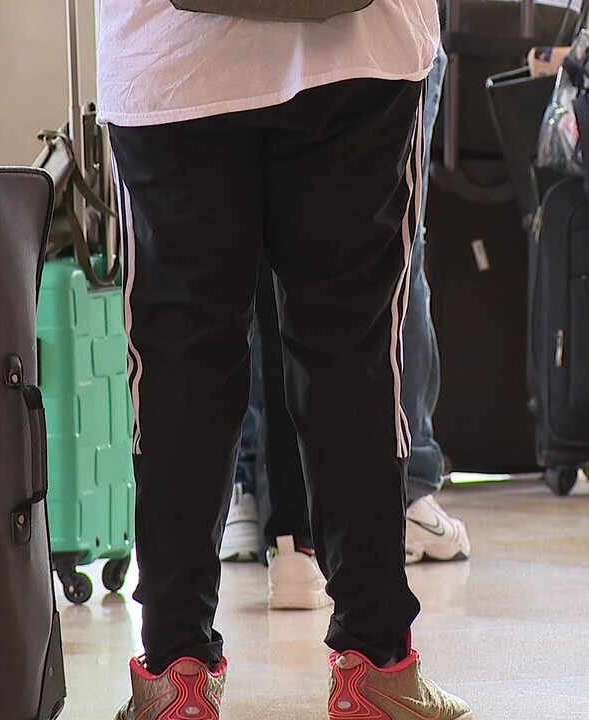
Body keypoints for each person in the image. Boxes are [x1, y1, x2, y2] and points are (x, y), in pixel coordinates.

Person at [98, 2, 473, 718]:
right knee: (354, 352)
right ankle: (376, 666)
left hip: (171, 62)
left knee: (180, 363)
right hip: (359, 54)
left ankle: (176, 672)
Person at [220, 51, 474, 614]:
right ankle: (406, 493)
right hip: (370, 47)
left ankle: (255, 500)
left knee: (253, 260)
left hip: (221, 52)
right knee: (385, 260)